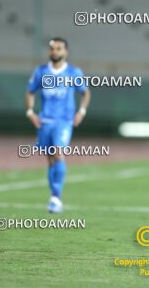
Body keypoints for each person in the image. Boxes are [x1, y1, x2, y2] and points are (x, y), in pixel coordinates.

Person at [25, 38, 91, 213]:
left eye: (59, 48)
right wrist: (30, 112)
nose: (55, 51)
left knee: (58, 153)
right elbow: (30, 91)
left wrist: (81, 112)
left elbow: (85, 93)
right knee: (50, 160)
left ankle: (56, 197)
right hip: (45, 121)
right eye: (52, 48)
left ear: (65, 52)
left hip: (64, 121)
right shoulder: (41, 72)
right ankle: (53, 196)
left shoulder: (73, 72)